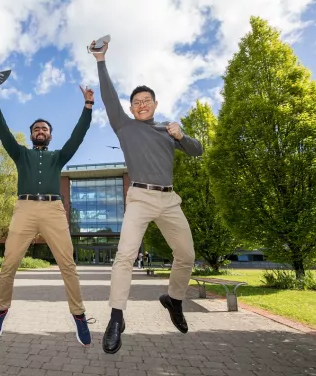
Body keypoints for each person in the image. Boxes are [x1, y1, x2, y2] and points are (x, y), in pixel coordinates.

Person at [90, 40, 203, 354]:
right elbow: (109, 97)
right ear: (131, 108)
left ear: (155, 103)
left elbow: (198, 151)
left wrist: (182, 135)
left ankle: (174, 300)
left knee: (186, 255)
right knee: (125, 255)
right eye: (136, 101)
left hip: (169, 200)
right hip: (139, 197)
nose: (141, 104)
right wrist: (101, 60)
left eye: (146, 100)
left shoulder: (168, 131)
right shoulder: (124, 126)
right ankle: (116, 317)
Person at [0, 81, 95, 346]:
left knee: (67, 264)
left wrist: (88, 106)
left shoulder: (59, 156)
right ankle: (1, 310)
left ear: (50, 135)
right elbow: (2, 131)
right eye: (36, 129)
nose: (40, 131)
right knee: (9, 263)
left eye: (44, 129)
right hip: (25, 209)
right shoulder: (21, 154)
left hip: (53, 209)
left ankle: (78, 315)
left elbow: (77, 136)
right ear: (32, 134)